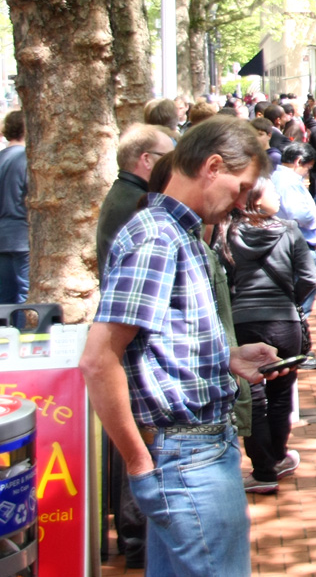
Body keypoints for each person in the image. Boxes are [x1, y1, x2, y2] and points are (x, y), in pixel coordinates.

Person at [79, 116, 290, 577]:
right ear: (212, 166)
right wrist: (139, 463)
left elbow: (155, 341)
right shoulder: (157, 237)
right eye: (240, 188)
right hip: (187, 457)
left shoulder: (179, 235)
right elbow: (99, 360)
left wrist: (227, 358)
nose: (241, 202)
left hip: (192, 454)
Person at [93, 123, 176, 567]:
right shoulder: (137, 208)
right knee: (139, 445)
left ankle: (135, 535)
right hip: (135, 346)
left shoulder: (129, 198)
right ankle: (137, 537)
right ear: (146, 160)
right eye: (168, 155)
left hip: (132, 342)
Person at [221, 177, 316, 495]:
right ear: (257, 200)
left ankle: (263, 471)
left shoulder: (227, 232)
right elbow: (309, 277)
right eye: (272, 190)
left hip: (244, 323)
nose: (278, 194)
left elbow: (223, 277)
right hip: (284, 323)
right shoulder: (289, 231)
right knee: (281, 395)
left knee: (254, 398)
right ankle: (277, 458)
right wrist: (290, 300)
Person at [271, 142, 316, 372]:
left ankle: (296, 348)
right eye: (308, 168)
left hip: (290, 244)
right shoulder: (289, 183)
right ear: (298, 162)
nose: (307, 173)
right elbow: (303, 216)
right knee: (301, 301)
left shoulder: (278, 178)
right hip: (300, 245)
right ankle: (298, 350)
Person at [97, 125, 178, 273]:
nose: (174, 167)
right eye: (168, 159)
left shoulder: (124, 192)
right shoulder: (139, 204)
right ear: (147, 160)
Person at [0, 111, 29, 304]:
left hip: (2, 236)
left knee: (5, 296)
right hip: (21, 236)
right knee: (26, 293)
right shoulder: (26, 159)